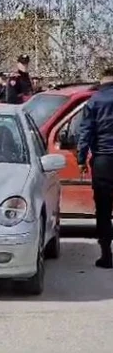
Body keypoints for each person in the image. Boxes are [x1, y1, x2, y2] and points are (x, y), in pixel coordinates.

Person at [78, 67, 113, 268]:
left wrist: (81, 159)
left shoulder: (95, 101)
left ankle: (106, 255)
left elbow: (86, 132)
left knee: (103, 208)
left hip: (104, 160)